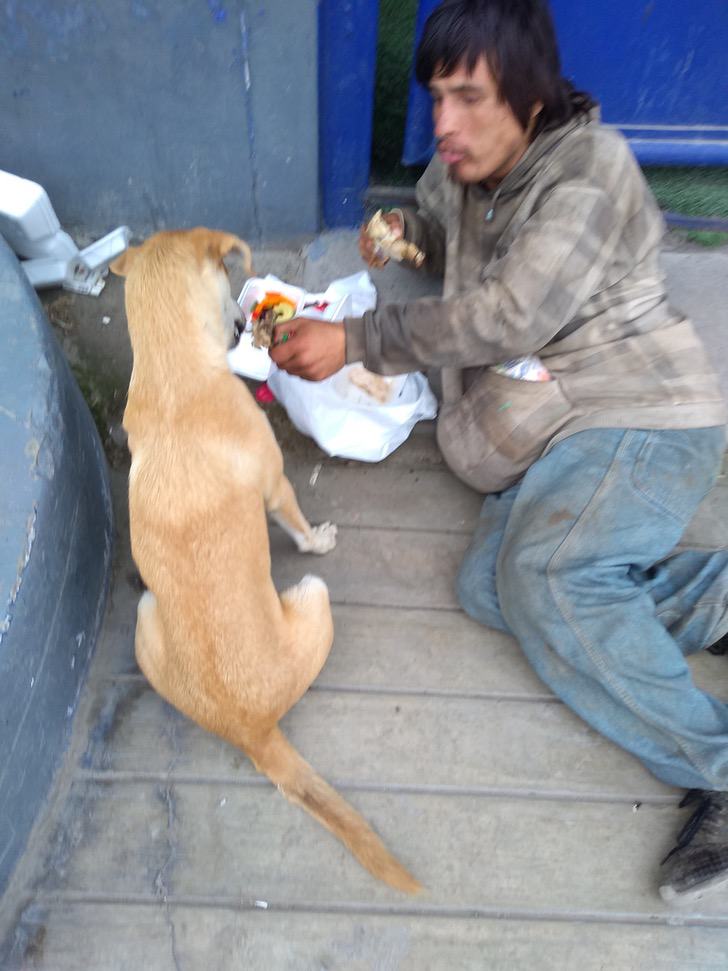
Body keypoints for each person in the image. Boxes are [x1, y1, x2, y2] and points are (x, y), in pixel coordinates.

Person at [270, 0, 728, 903]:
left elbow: (512, 312)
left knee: (546, 580)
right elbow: (465, 250)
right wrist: (416, 237)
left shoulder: (589, 173)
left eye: (469, 97)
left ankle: (712, 761)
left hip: (638, 416)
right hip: (567, 437)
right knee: (493, 586)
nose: (444, 123)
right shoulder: (468, 172)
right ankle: (715, 598)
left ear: (528, 96)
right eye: (436, 97)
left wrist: (358, 339)